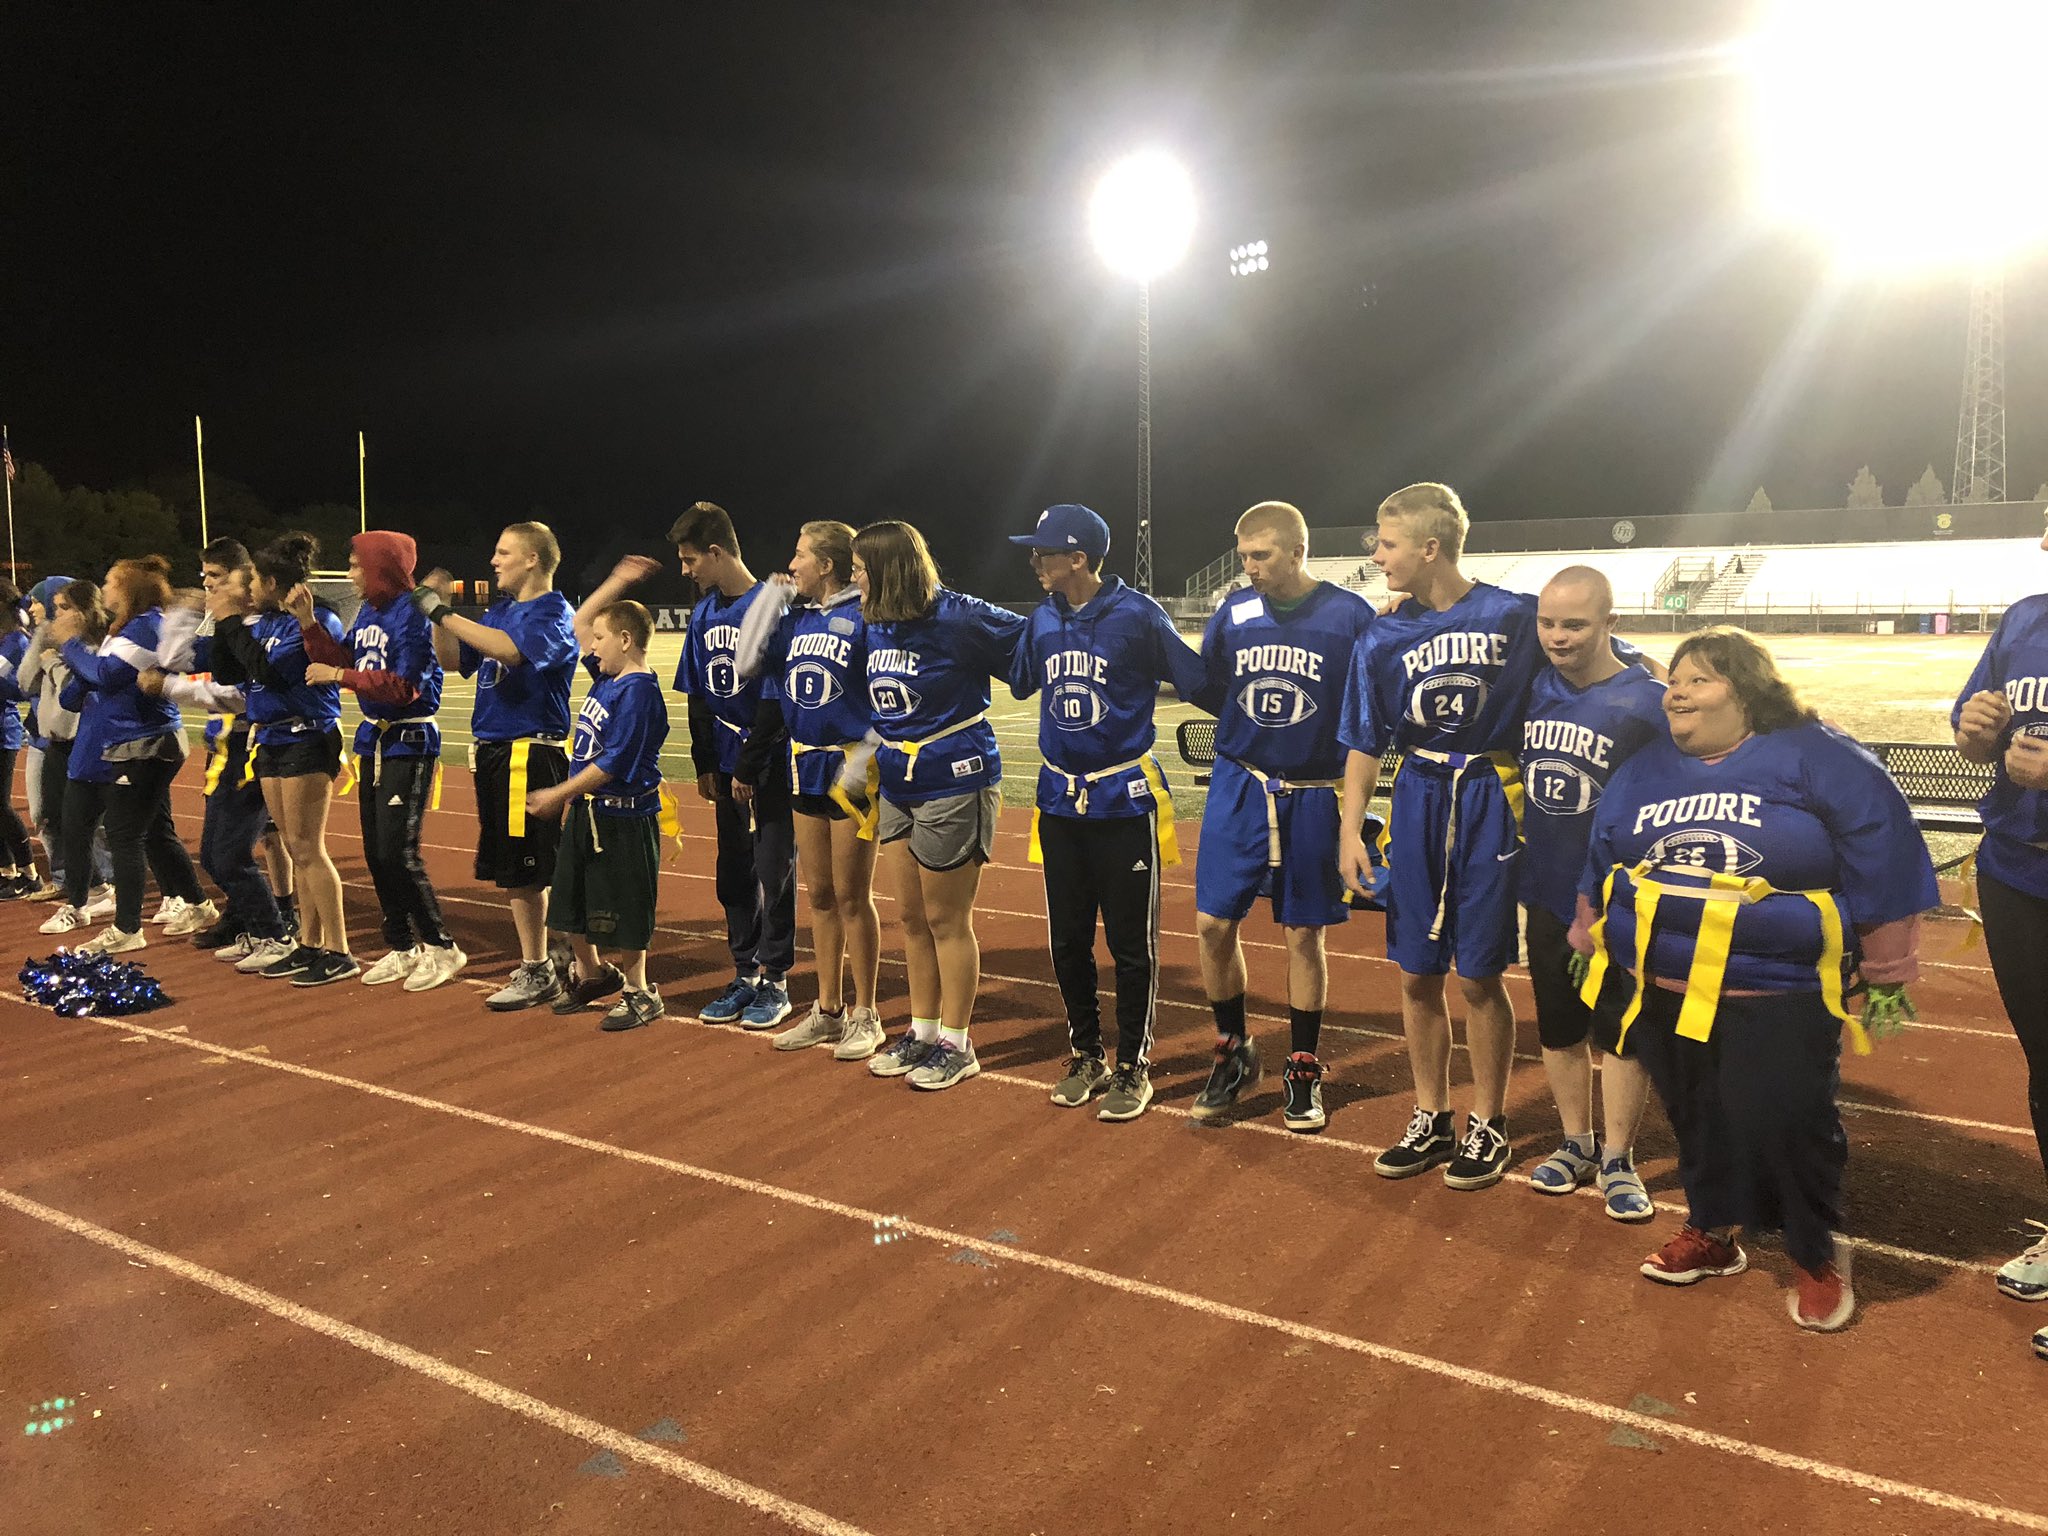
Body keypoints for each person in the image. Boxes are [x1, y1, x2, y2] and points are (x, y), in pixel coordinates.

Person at [1571, 627, 1935, 1332]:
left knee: (1786, 1118)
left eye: (1699, 679)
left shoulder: (1819, 757)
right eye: (1674, 678)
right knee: (1696, 1115)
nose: (1676, 690)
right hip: (1665, 983)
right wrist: (1589, 934)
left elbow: (1880, 853)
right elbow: (1603, 853)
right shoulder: (1644, 769)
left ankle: (1814, 1249)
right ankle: (1713, 1228)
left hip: (1779, 987)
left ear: (1746, 690)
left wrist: (1887, 968)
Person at [1338, 483, 1653, 1189]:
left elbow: (1606, 657)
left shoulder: (1516, 616)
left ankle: (1489, 1119)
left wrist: (1676, 678)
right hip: (1418, 794)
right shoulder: (1382, 632)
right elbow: (1363, 737)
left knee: (1479, 971)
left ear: (1429, 547)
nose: (1377, 557)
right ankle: (1430, 1113)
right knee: (1416, 971)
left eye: (1386, 544)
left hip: (1491, 794)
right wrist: (1350, 826)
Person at [1008, 504, 1205, 1122]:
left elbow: (1197, 680)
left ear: (1078, 558)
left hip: (1123, 802)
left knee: (1129, 943)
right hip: (1059, 801)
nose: (1034, 562)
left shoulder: (1140, 615)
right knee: (1066, 938)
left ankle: (1132, 1063)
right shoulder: (1041, 617)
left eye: (1043, 552)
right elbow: (1018, 681)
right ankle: (1085, 1052)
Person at [1189, 501, 1376, 1131]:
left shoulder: (1349, 615)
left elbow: (1365, 714)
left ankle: (1302, 1063)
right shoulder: (1234, 611)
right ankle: (1233, 1047)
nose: (1249, 568)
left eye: (1261, 555)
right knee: (1213, 924)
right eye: (1243, 555)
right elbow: (1211, 683)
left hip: (1315, 792)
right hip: (1241, 784)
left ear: (1298, 551)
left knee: (1304, 934)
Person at [855, 519, 1027, 1090]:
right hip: (899, 783)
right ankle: (923, 1030)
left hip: (957, 777)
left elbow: (1032, 645)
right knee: (911, 917)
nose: (854, 576)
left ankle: (959, 1041)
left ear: (887, 569)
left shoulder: (959, 615)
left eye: (861, 567)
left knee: (947, 919)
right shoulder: (876, 620)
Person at [1517, 567, 1666, 1219]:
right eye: (1547, 622)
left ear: (1611, 623)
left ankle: (1618, 1157)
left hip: (1624, 901)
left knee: (1623, 1031)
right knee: (1557, 1025)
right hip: (1548, 889)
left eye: (1574, 624)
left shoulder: (1650, 698)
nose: (1557, 635)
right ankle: (1574, 1142)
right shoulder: (1528, 686)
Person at [733, 520, 887, 1060]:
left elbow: (888, 697)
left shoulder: (865, 615)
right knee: (818, 895)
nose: (790, 564)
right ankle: (827, 1009)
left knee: (851, 896)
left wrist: (864, 758)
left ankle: (866, 1013)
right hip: (804, 766)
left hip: (851, 769)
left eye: (798, 557)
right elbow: (746, 661)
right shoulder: (796, 619)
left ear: (826, 565)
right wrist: (770, 596)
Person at [415, 522, 579, 1010]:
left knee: (525, 869)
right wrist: (435, 619)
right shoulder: (501, 610)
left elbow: (511, 652)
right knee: (516, 867)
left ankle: (540, 966)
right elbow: (451, 661)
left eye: (504, 551)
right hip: (498, 752)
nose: (493, 560)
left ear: (533, 559)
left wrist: (441, 608)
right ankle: (557, 954)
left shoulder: (552, 611)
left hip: (527, 751)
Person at [297, 531, 465, 992]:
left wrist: (339, 676)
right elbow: (345, 657)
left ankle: (441, 944)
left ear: (380, 565)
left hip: (409, 738)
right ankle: (401, 946)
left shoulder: (413, 611)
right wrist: (310, 625)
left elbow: (404, 686)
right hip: (375, 740)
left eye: (356, 565)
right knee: (375, 852)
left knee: (398, 851)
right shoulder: (370, 610)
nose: (350, 574)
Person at [1952, 567, 2048, 1360]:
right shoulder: (2024, 618)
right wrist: (1976, 731)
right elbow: (1971, 734)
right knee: (2046, 1064)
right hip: (2017, 873)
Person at [527, 560, 671, 1031]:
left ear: (625, 641)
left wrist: (558, 794)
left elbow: (611, 765)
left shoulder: (639, 694)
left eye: (601, 641)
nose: (591, 646)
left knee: (627, 909)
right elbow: (579, 623)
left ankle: (639, 991)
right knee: (570, 900)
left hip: (624, 819)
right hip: (589, 814)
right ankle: (591, 974)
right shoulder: (609, 680)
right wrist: (618, 581)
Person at [671, 502, 798, 1031]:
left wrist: (747, 764)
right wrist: (706, 760)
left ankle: (776, 978)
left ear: (717, 552)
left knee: (774, 871)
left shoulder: (770, 607)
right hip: (725, 764)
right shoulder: (703, 613)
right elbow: (697, 692)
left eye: (690, 559)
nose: (686, 570)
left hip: (767, 761)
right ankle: (744, 971)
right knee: (733, 872)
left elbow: (775, 699)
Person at [138, 549, 293, 969]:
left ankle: (276, 931)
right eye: (205, 576)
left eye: (219, 577)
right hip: (225, 748)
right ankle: (250, 925)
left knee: (234, 853)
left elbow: (243, 695)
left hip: (254, 747)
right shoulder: (232, 628)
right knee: (214, 855)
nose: (210, 585)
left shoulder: (262, 630)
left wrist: (170, 688)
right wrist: (182, 617)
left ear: (248, 584)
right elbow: (179, 660)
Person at [53, 558, 214, 954]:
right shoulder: (125, 627)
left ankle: (128, 927)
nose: (104, 588)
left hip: (143, 742)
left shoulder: (147, 626)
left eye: (110, 582)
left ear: (129, 589)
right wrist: (76, 680)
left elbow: (107, 675)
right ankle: (199, 904)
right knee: (154, 833)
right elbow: (96, 679)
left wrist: (71, 644)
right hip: (128, 741)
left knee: (126, 835)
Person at [216, 533, 356, 985]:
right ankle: (310, 944)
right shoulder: (268, 622)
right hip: (272, 740)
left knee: (309, 848)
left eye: (255, 578)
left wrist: (233, 621)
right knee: (295, 848)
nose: (250, 586)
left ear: (273, 581)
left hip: (306, 738)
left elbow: (269, 673)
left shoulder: (317, 621)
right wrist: (223, 620)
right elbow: (229, 669)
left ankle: (339, 949)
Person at [26, 582, 113, 931]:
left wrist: (56, 663)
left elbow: (79, 690)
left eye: (62, 608)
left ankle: (105, 904)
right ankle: (88, 895)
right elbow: (24, 681)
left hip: (87, 742)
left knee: (125, 830)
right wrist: (42, 643)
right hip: (56, 743)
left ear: (82, 611)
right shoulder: (56, 645)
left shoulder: (95, 648)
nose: (53, 614)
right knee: (59, 821)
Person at [0, 580, 42, 896]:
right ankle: (7, 871)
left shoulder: (16, 643)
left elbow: (22, 688)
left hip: (3, 732)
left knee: (1, 806)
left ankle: (29, 873)